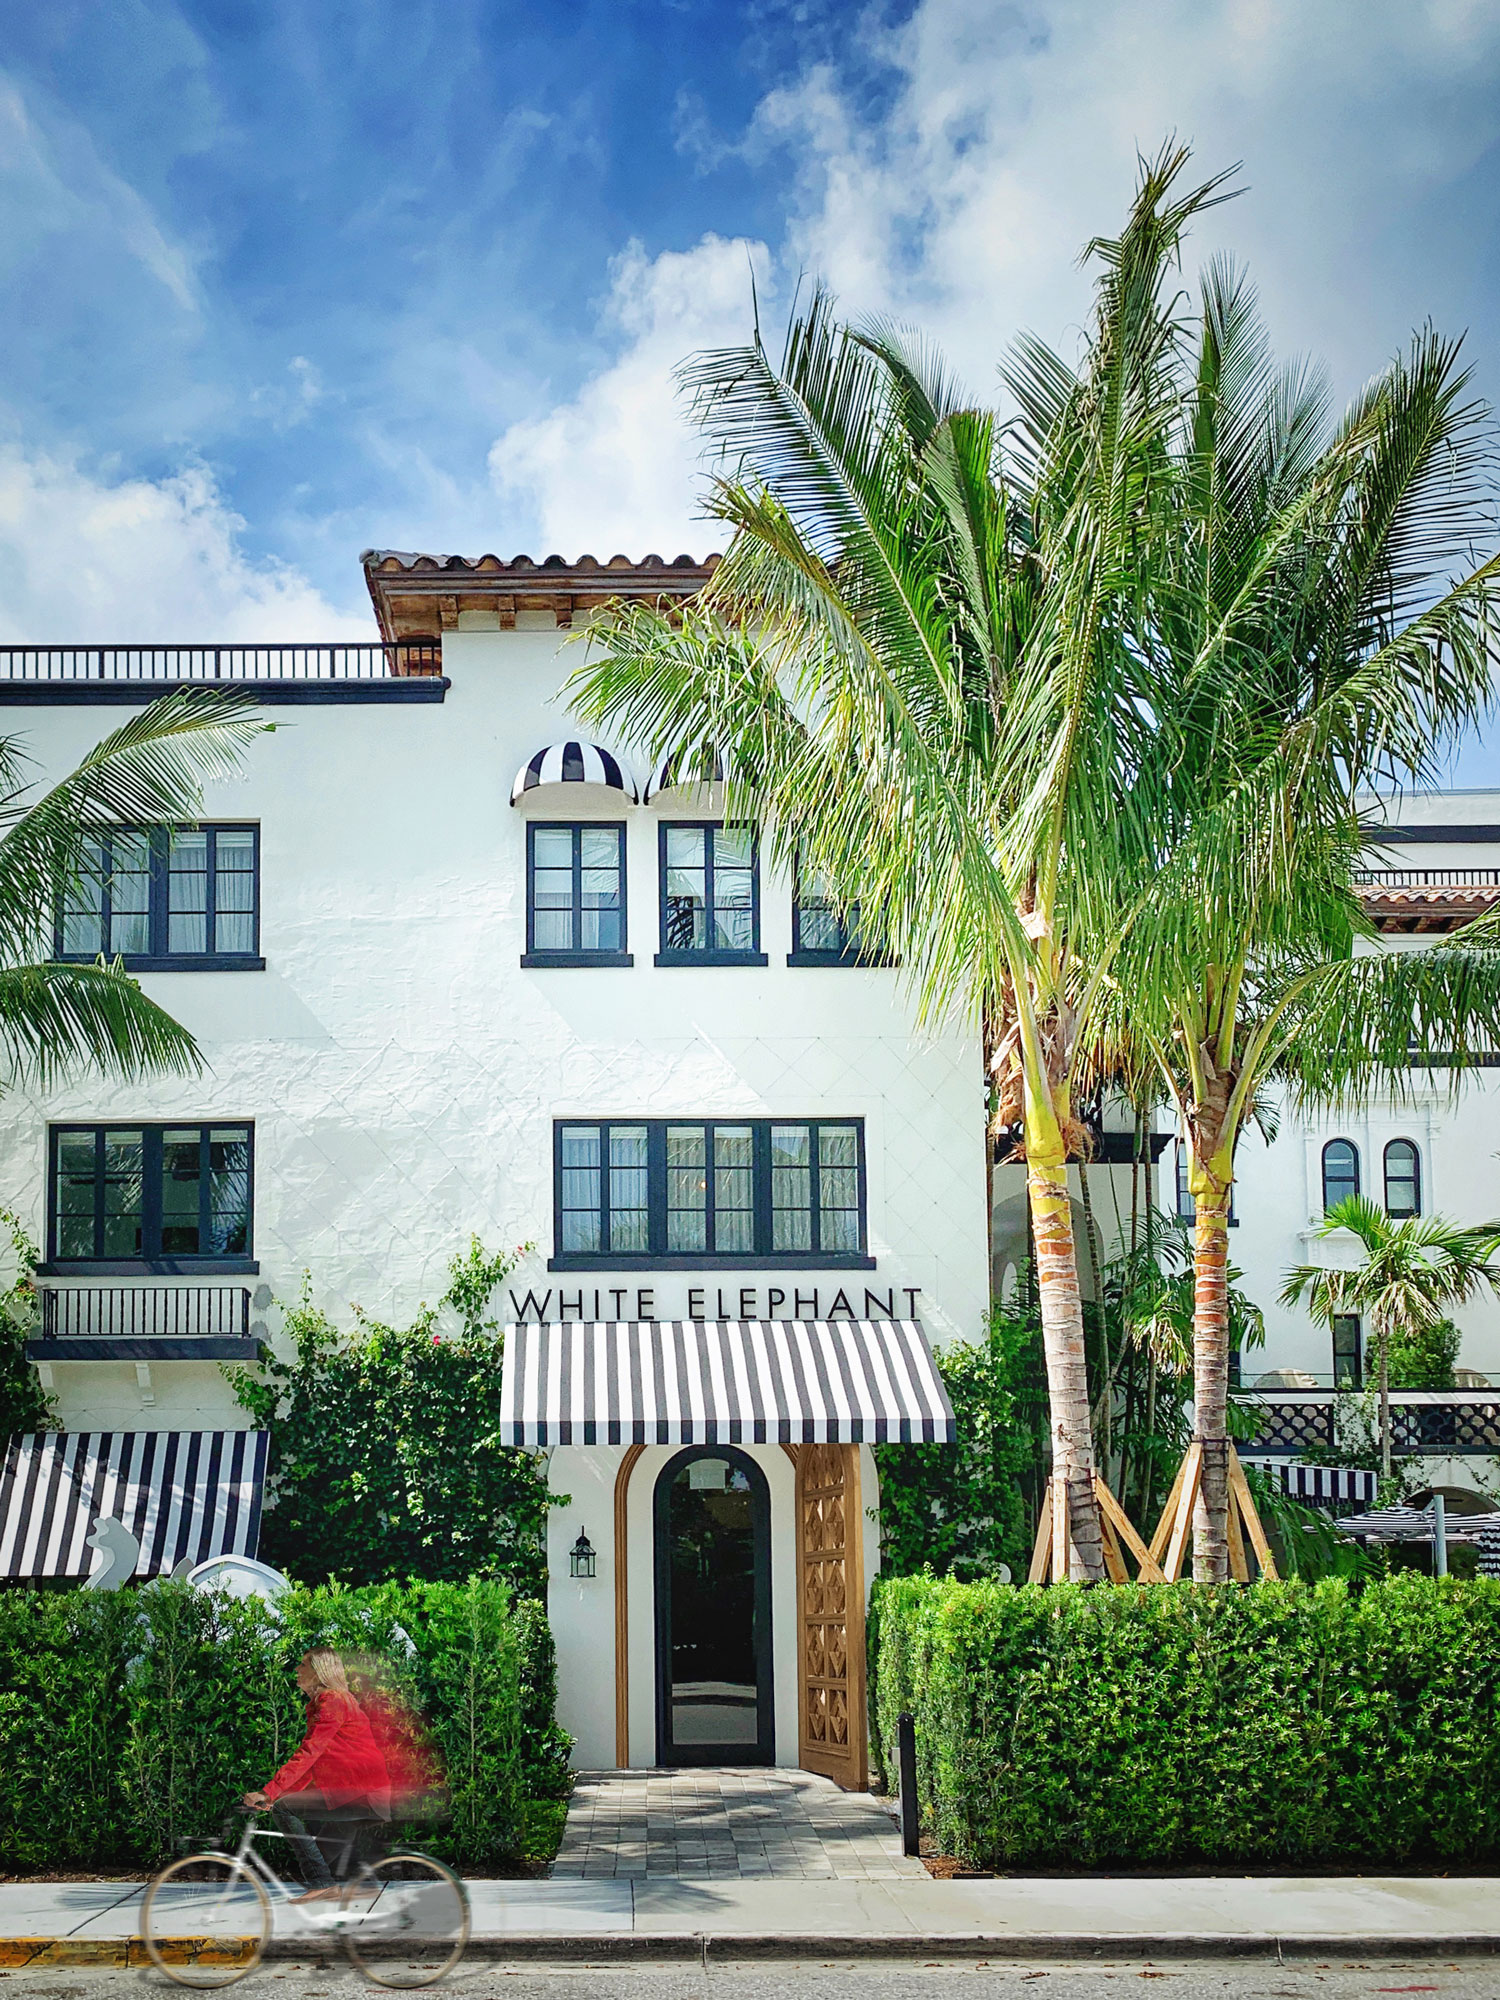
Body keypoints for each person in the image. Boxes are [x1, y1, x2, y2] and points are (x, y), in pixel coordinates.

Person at [242, 1649, 391, 1898]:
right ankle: (360, 1890)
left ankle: (323, 1885)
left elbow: (309, 1752)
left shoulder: (332, 1700)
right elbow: (313, 1762)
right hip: (365, 1793)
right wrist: (275, 1794)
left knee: (285, 1811)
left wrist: (270, 1793)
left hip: (360, 1793)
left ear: (319, 1671)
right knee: (320, 1854)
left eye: (302, 1665)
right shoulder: (332, 1701)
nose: (297, 1670)